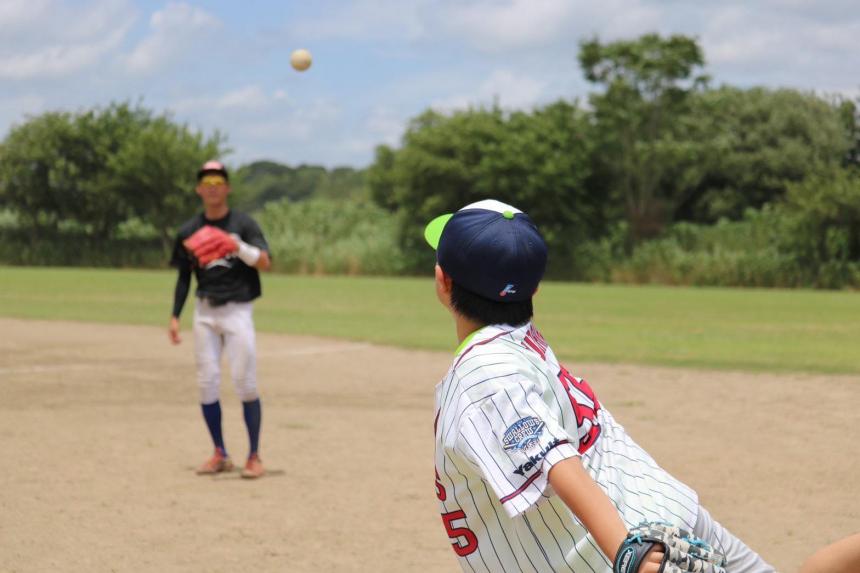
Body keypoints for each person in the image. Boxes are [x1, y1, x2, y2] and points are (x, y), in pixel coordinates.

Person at [424, 199, 775, 572]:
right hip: (664, 508)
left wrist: (627, 553)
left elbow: (554, 459)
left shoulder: (484, 374)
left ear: (442, 280)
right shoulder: (519, 339)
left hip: (632, 550)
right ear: (534, 289)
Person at [168, 160, 271, 479]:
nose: (212, 188)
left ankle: (254, 455)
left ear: (227, 187)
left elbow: (265, 263)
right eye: (206, 182)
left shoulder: (243, 223)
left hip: (238, 310)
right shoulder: (188, 231)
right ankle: (220, 453)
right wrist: (175, 315)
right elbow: (185, 277)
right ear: (199, 189)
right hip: (204, 311)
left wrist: (236, 245)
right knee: (206, 384)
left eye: (218, 182)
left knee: (244, 382)